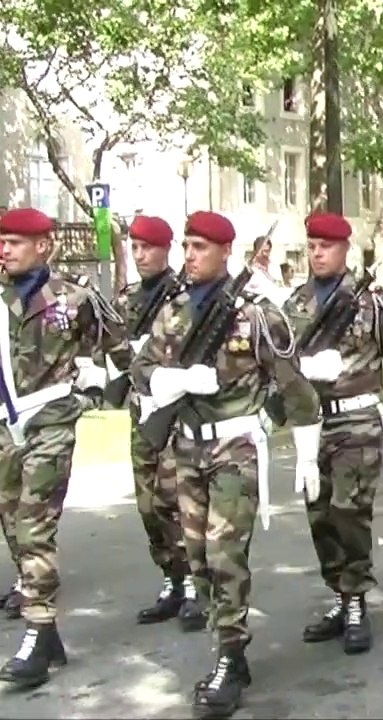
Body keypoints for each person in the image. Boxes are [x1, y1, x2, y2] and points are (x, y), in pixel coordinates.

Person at [133, 211, 322, 718]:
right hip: (186, 447)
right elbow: (141, 365)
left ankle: (228, 655)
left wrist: (307, 451)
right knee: (196, 557)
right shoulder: (171, 310)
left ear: (225, 252)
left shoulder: (257, 315)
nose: (189, 255)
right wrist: (165, 383)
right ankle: (230, 651)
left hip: (235, 447)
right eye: (187, 246)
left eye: (199, 247)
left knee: (224, 554)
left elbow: (293, 386)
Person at [0, 208, 128, 689]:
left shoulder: (74, 297)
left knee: (34, 526)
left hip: (51, 420)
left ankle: (35, 630)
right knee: (13, 524)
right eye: (2, 241)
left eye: (15, 241)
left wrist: (103, 383)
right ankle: (47, 632)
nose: (5, 249)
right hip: (5, 425)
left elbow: (117, 348)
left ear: (44, 246)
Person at [283, 212, 383, 653]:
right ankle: (340, 595)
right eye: (312, 246)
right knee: (319, 514)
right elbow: (279, 364)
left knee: (348, 509)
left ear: (345, 249)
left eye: (326, 245)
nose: (317, 253)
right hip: (311, 424)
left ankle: (357, 597)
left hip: (356, 420)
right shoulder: (295, 304)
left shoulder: (370, 303)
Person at [115, 216, 200, 627]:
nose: (139, 254)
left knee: (174, 500)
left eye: (147, 247)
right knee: (148, 503)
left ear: (166, 250)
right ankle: (171, 578)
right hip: (140, 411)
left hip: (173, 410)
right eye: (134, 247)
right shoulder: (128, 297)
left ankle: (195, 584)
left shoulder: (182, 295)